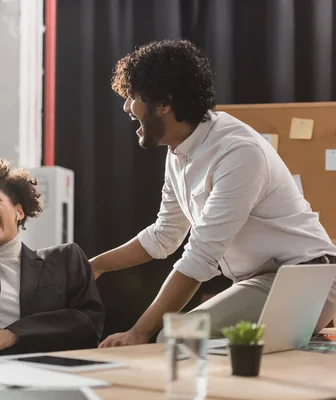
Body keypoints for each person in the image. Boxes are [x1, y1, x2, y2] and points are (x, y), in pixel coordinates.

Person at [91, 39, 336, 347]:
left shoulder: (237, 152)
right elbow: (164, 236)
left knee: (177, 337)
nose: (128, 106)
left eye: (134, 97)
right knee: (180, 335)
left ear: (164, 103)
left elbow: (200, 256)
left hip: (306, 278)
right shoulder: (179, 153)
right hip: (262, 280)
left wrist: (139, 332)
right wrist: (96, 265)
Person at [0, 159, 105, 360]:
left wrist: (16, 333)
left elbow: (89, 323)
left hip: (45, 367)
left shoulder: (64, 258)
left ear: (19, 211)